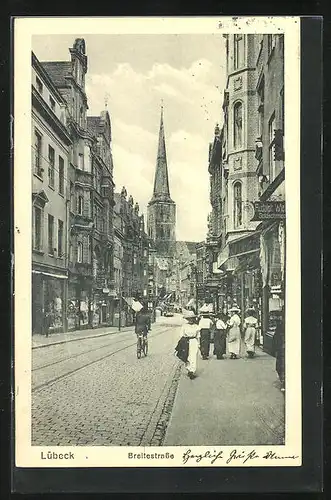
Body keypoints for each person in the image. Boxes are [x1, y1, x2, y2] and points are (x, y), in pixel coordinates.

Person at [176, 310, 200, 379]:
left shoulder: (196, 326)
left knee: (193, 356)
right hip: (186, 341)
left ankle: (192, 371)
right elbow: (181, 335)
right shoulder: (184, 326)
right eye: (189, 319)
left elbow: (198, 336)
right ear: (187, 319)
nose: (191, 320)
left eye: (192, 318)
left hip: (194, 341)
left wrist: (199, 344)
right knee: (186, 355)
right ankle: (188, 368)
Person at [274, 308, 285, 392]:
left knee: (281, 365)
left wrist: (275, 348)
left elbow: (276, 337)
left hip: (282, 347)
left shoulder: (281, 324)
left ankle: (284, 382)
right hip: (283, 346)